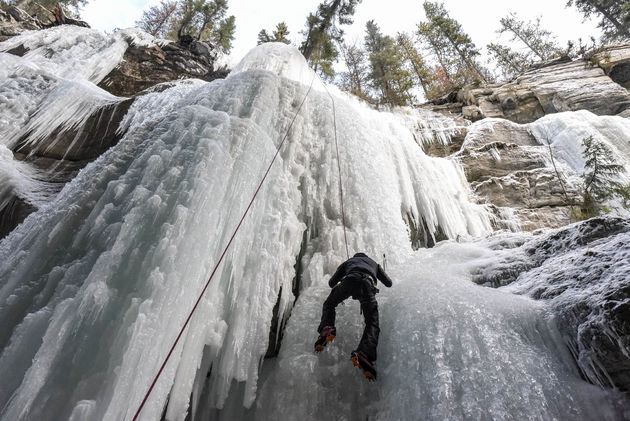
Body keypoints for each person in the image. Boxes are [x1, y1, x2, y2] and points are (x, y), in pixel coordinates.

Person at [314, 252, 393, 380]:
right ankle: (364, 353)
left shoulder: (349, 262)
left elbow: (331, 282)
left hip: (349, 281)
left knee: (329, 304)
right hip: (367, 285)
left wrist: (346, 271)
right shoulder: (374, 264)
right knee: (372, 323)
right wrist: (376, 271)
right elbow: (389, 283)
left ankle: (327, 327)